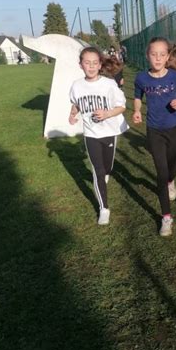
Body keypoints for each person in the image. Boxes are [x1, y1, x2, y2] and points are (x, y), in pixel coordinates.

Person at [133, 37, 176, 236]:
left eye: (161, 54)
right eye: (153, 54)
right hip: (154, 129)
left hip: (172, 127)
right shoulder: (141, 78)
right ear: (148, 56)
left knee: (172, 165)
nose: (157, 58)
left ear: (167, 56)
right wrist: (136, 111)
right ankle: (166, 217)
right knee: (161, 172)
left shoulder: (175, 77)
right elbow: (136, 97)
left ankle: (171, 181)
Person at [69, 46, 129, 225]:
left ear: (100, 64)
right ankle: (104, 208)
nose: (91, 66)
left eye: (95, 62)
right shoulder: (77, 86)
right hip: (91, 134)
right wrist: (72, 114)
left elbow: (122, 106)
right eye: (87, 62)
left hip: (109, 131)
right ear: (81, 65)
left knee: (107, 167)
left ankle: (105, 174)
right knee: (98, 170)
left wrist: (107, 114)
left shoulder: (109, 84)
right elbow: (76, 104)